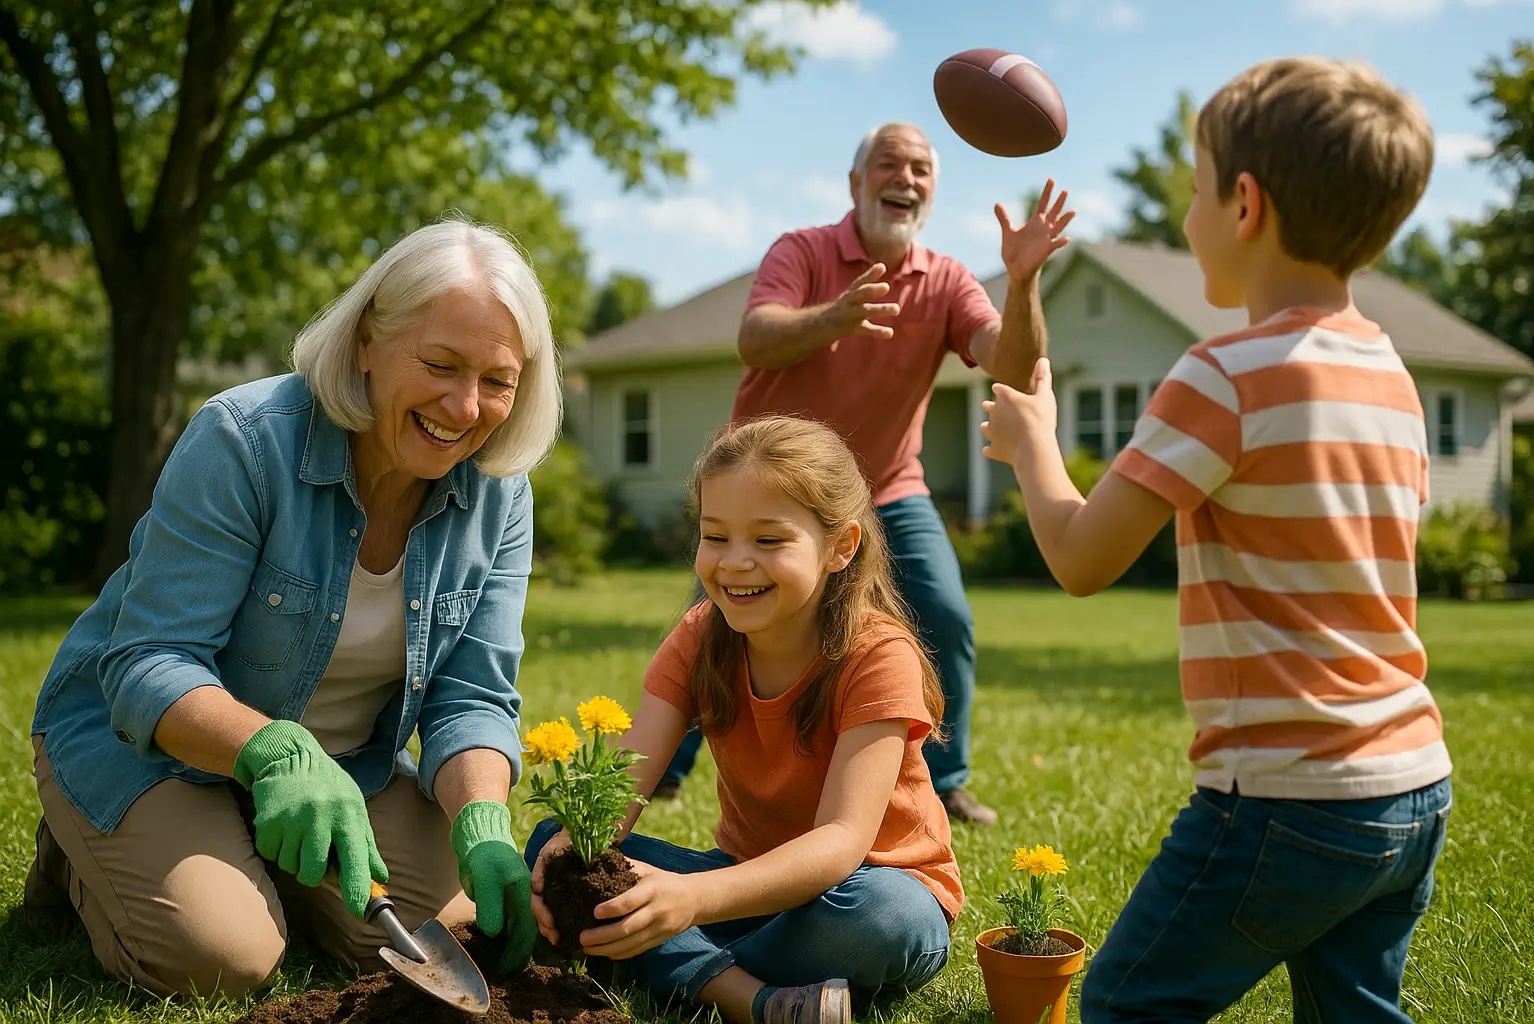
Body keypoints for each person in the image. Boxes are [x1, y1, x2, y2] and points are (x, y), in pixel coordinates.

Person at [980, 57, 1451, 1023]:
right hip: (1411, 787)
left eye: (1192, 191)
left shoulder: (1224, 372)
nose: (1185, 217)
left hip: (1285, 796)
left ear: (1244, 205)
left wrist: (1033, 448)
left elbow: (1080, 556)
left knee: (1124, 1001)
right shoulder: (1393, 377)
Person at [23, 218, 557, 998]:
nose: (466, 406)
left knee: (465, 930)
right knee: (221, 959)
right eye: (439, 364)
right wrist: (275, 753)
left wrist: (481, 818)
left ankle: (265, 862)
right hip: (147, 749)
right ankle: (85, 853)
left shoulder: (500, 498)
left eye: (499, 380)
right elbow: (146, 662)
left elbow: (472, 694)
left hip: (348, 773)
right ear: (369, 340)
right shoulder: (243, 440)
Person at [652, 121, 1075, 828]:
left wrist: (1024, 280)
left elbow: (1014, 364)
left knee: (943, 616)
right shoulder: (805, 251)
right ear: (855, 183)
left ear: (933, 193)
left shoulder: (944, 280)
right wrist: (836, 318)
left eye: (920, 170)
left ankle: (946, 779)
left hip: (888, 489)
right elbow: (756, 334)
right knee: (717, 620)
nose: (904, 179)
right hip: (765, 490)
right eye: (889, 164)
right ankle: (662, 771)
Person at [524, 416, 962, 1024]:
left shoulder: (878, 656)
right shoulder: (702, 638)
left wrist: (688, 902)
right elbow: (624, 787)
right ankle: (754, 1000)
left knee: (886, 917)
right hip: (742, 888)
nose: (734, 564)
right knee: (556, 844)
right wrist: (585, 852)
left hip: (863, 891)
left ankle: (661, 960)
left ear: (841, 546)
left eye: (769, 540)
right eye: (715, 536)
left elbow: (840, 844)